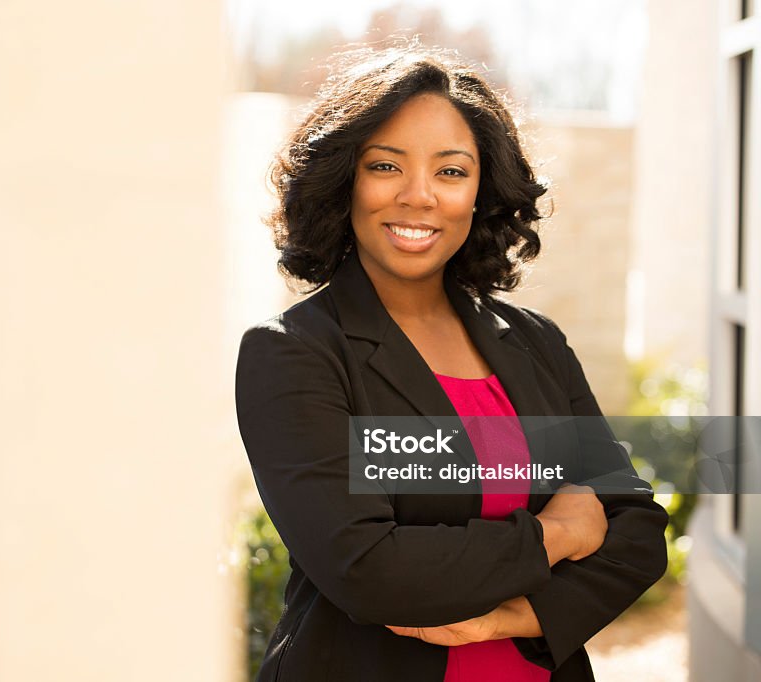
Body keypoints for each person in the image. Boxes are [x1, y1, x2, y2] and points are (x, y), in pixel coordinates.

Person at [234, 45, 668, 682]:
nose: (418, 197)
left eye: (450, 172)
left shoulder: (536, 341)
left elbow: (636, 530)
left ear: (481, 192)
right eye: (385, 165)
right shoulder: (293, 352)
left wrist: (511, 619)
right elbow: (369, 570)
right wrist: (557, 535)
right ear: (343, 181)